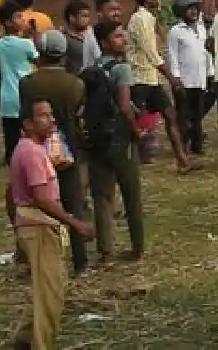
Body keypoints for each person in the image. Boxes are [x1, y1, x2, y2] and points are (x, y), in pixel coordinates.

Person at [10, 98, 95, 350]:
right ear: (28, 123)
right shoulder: (32, 153)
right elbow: (41, 200)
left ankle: (23, 341)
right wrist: (74, 223)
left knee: (48, 290)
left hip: (33, 224)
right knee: (50, 296)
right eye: (44, 116)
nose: (52, 120)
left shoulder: (32, 148)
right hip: (38, 227)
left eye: (51, 115)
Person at [18, 30, 89, 274]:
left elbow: (24, 114)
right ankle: (80, 260)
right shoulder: (76, 84)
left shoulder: (27, 83)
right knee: (72, 201)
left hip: (37, 147)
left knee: (40, 204)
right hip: (67, 148)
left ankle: (37, 259)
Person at [83, 20, 144, 263]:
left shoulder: (92, 69)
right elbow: (124, 106)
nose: (124, 40)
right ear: (105, 42)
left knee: (101, 195)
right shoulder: (121, 69)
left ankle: (105, 251)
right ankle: (137, 247)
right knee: (131, 194)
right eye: (118, 37)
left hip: (97, 139)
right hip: (119, 137)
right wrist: (136, 131)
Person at [127, 0, 195, 173]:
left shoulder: (148, 18)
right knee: (136, 122)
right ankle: (130, 161)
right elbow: (151, 53)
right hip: (140, 77)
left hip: (150, 77)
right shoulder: (140, 19)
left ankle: (183, 160)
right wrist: (171, 78)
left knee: (169, 114)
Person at [166, 0, 212, 156]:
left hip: (199, 79)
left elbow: (204, 53)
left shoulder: (201, 29)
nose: (193, 12)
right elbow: (172, 55)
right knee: (183, 115)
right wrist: (176, 78)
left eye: (195, 9)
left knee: (198, 114)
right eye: (190, 9)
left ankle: (197, 145)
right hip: (184, 80)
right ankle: (183, 145)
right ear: (183, 11)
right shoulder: (176, 31)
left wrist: (209, 72)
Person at [0, 0, 37, 162]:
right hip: (25, 93)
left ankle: (10, 158)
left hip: (7, 96)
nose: (22, 20)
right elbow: (39, 60)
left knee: (10, 134)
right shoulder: (26, 44)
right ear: (8, 22)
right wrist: (33, 36)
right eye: (18, 17)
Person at [61, 0, 92, 75]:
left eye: (88, 16)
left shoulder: (91, 35)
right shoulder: (63, 39)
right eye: (84, 16)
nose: (87, 20)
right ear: (72, 18)